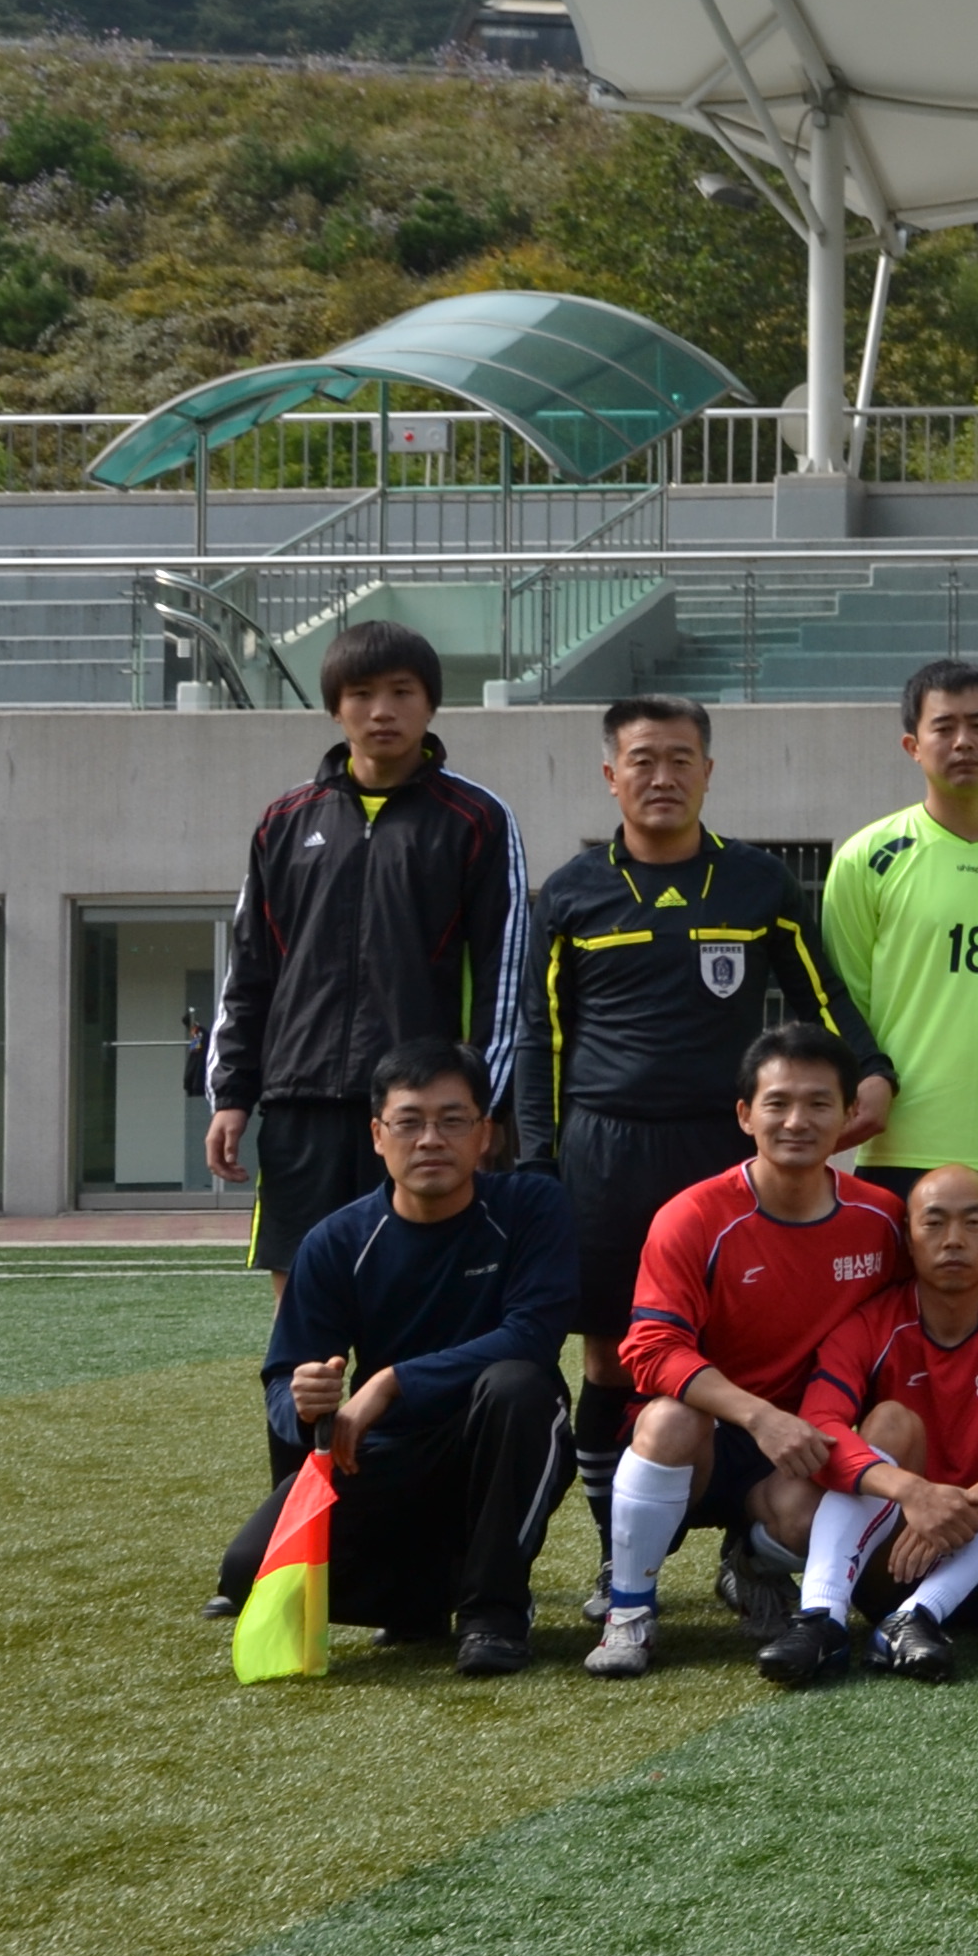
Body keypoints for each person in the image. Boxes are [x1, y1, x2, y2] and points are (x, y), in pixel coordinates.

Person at [531, 692, 889, 1594]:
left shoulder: (756, 882)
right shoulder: (571, 892)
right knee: (612, 1356)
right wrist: (538, 1162)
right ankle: (620, 1552)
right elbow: (540, 1038)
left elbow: (820, 993)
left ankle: (749, 1545)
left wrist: (873, 1068)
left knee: (737, 1347)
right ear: (611, 775)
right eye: (643, 760)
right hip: (605, 1153)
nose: (663, 777)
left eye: (680, 759)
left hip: (725, 1149)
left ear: (708, 771)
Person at [226, 1040, 573, 1675]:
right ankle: (421, 1599)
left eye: (452, 1120)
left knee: (519, 1385)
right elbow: (283, 1378)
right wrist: (303, 1401)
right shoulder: (337, 1241)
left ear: (485, 1134)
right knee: (246, 1570)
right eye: (409, 1122)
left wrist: (391, 1381)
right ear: (378, 1135)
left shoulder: (531, 1208)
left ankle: (494, 1612)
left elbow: (533, 1334)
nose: (430, 1140)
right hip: (382, 1455)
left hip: (491, 1440)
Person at [205, 619, 530, 1291]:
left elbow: (507, 974)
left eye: (402, 692)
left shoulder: (476, 819)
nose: (382, 711)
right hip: (301, 1101)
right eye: (361, 694)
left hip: (423, 1106)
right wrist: (232, 1093)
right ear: (334, 707)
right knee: (303, 1290)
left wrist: (484, 1103)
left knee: (419, 1289)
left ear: (430, 704)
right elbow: (250, 970)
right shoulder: (284, 821)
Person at [589, 1026, 908, 1678]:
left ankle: (753, 1561)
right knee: (670, 1420)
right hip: (708, 1439)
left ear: (851, 1113)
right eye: (778, 1103)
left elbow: (933, 1308)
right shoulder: (694, 1215)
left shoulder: (882, 1219)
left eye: (818, 1103)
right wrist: (759, 1416)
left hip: (806, 1446)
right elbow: (649, 1349)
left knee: (819, 1517)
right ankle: (629, 1611)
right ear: (744, 1114)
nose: (797, 1121)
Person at [778, 1161, 978, 1686]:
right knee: (889, 1422)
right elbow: (820, 1425)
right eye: (934, 1222)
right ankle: (822, 1616)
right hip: (895, 1567)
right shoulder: (867, 1324)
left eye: (972, 1223)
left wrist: (964, 1507)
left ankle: (917, 1615)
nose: (953, 1240)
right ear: (908, 1237)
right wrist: (914, 1493)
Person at [824, 659, 978, 1299]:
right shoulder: (867, 858)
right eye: (944, 727)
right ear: (913, 745)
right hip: (901, 1144)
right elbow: (845, 1001)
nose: (963, 741)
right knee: (892, 1331)